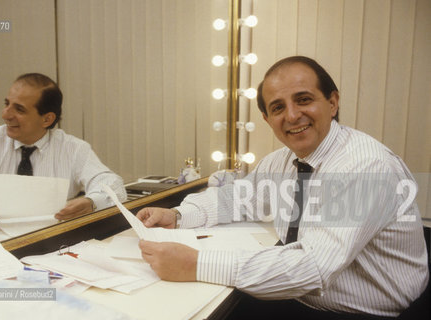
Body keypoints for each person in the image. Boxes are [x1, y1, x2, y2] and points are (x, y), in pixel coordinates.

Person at [136, 56, 429, 318]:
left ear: (333, 102)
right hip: (300, 295)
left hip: (367, 310)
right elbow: (237, 198)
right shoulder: (282, 161)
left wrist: (197, 264)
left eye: (303, 99)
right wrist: (178, 215)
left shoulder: (365, 167)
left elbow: (312, 269)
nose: (291, 116)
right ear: (267, 119)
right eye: (278, 107)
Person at [0, 73, 126, 232]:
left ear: (47, 119)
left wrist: (91, 202)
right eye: (7, 104)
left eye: (19, 109)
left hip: (51, 242)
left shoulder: (73, 148)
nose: (6, 114)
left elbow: (113, 185)